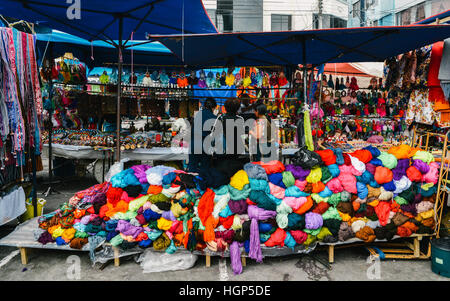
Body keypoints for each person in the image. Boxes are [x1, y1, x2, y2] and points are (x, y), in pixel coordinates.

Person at [210, 98, 246, 163]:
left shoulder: (221, 118)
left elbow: (213, 133)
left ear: (226, 108)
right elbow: (242, 135)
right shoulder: (240, 119)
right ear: (237, 108)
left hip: (222, 150)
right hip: (236, 150)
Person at [187, 97, 217, 172]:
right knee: (205, 169)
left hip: (194, 144)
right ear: (213, 108)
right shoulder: (213, 117)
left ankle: (191, 182)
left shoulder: (197, 115)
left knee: (192, 168)